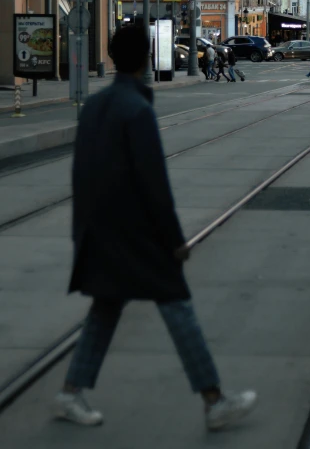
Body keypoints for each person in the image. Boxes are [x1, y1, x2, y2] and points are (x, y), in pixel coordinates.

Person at [53, 26, 256, 430]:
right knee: (176, 304)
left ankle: (71, 393)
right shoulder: (138, 110)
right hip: (135, 235)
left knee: (106, 308)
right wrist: (174, 240)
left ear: (112, 57)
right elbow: (153, 183)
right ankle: (213, 400)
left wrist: (83, 234)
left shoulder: (94, 106)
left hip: (99, 231)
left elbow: (80, 175)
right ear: (146, 57)